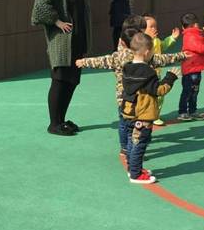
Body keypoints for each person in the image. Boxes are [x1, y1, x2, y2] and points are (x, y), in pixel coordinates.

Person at [76, 15, 186, 156]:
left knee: (125, 125)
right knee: (138, 127)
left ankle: (126, 148)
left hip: (124, 99)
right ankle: (135, 148)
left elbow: (100, 61)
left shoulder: (118, 56)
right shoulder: (143, 56)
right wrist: (181, 55)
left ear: (122, 42)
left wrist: (83, 62)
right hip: (141, 100)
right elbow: (162, 59)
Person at [31, 0, 100, 136]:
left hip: (77, 41)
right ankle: (54, 124)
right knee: (60, 82)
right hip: (62, 44)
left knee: (72, 81)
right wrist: (57, 21)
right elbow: (39, 7)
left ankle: (61, 120)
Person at [122, 32, 180, 184]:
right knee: (140, 143)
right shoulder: (148, 72)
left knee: (131, 141)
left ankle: (132, 168)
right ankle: (135, 174)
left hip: (129, 112)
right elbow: (158, 90)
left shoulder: (127, 68)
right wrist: (170, 78)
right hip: (143, 115)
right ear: (147, 52)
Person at [177, 12, 204, 121]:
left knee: (194, 91)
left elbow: (203, 45)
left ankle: (192, 111)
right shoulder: (190, 36)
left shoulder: (196, 34)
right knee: (187, 91)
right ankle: (183, 112)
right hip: (190, 69)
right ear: (195, 24)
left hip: (196, 68)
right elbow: (201, 49)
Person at [143, 13, 180, 125]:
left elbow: (163, 45)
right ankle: (146, 114)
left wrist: (172, 38)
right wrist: (149, 40)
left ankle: (155, 115)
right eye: (151, 27)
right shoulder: (142, 42)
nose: (154, 29)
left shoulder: (157, 40)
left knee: (159, 95)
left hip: (157, 73)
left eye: (155, 26)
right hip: (146, 75)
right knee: (147, 96)